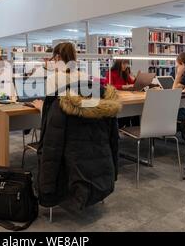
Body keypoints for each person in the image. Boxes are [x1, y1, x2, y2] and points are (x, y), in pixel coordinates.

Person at [32, 42, 120, 210]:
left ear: (57, 57)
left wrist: (39, 106)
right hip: (86, 139)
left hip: (63, 139)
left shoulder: (53, 79)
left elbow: (52, 120)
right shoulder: (84, 77)